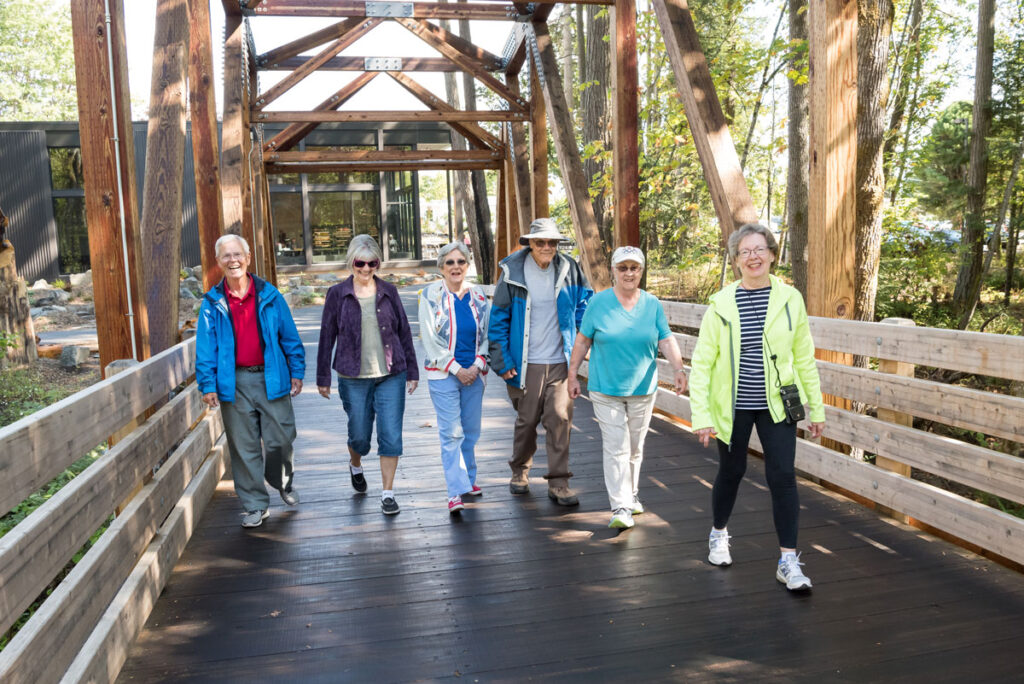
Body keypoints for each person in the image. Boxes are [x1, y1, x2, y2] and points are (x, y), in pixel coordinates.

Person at [688, 222, 825, 591]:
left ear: (772, 254)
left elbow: (805, 357)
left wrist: (817, 407)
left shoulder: (790, 299)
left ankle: (788, 560)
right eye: (745, 251)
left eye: (759, 249)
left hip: (778, 404)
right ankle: (718, 533)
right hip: (733, 407)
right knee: (731, 472)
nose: (753, 257)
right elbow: (702, 364)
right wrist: (701, 416)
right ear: (736, 259)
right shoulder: (720, 304)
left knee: (782, 476)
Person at [567, 246, 687, 529]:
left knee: (635, 447)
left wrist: (679, 369)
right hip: (605, 387)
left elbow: (666, 339)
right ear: (613, 271)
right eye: (623, 268)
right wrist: (572, 374)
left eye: (634, 268)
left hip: (643, 389)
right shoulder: (599, 303)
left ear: (641, 271)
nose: (629, 273)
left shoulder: (652, 304)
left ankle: (631, 496)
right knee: (616, 447)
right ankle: (619, 506)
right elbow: (583, 341)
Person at [196, 234, 305, 528]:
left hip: (271, 376)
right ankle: (256, 505)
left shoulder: (269, 295)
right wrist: (207, 384)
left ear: (248, 258)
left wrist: (297, 370)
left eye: (237, 255)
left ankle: (282, 482)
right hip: (235, 382)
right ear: (218, 262)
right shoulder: (212, 302)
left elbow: (289, 336)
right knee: (244, 447)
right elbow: (206, 347)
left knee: (281, 439)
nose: (233, 261)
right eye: (226, 256)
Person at [489, 218, 592, 506]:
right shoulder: (513, 272)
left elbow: (585, 305)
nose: (547, 247)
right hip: (525, 363)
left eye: (552, 242)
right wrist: (501, 360)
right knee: (526, 421)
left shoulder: (569, 269)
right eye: (540, 242)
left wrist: (583, 343)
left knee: (560, 419)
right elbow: (497, 320)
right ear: (530, 244)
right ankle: (520, 471)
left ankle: (559, 483)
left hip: (560, 360)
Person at [316, 234, 419, 516]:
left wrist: (412, 370)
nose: (365, 269)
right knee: (360, 435)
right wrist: (323, 377)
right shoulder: (337, 294)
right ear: (351, 261)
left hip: (391, 373)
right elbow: (327, 336)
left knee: (391, 435)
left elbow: (404, 332)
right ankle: (356, 464)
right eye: (359, 263)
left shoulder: (389, 291)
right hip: (352, 376)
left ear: (378, 263)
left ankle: (388, 493)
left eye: (371, 263)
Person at [419, 242, 490, 515]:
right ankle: (454, 492)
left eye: (461, 261)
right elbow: (429, 338)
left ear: (467, 265)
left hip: (474, 373)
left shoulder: (479, 296)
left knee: (471, 432)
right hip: (443, 374)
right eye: (450, 262)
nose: (456, 267)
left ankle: (469, 479)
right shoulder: (430, 295)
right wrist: (456, 368)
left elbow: (487, 335)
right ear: (441, 267)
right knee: (452, 434)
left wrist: (477, 364)